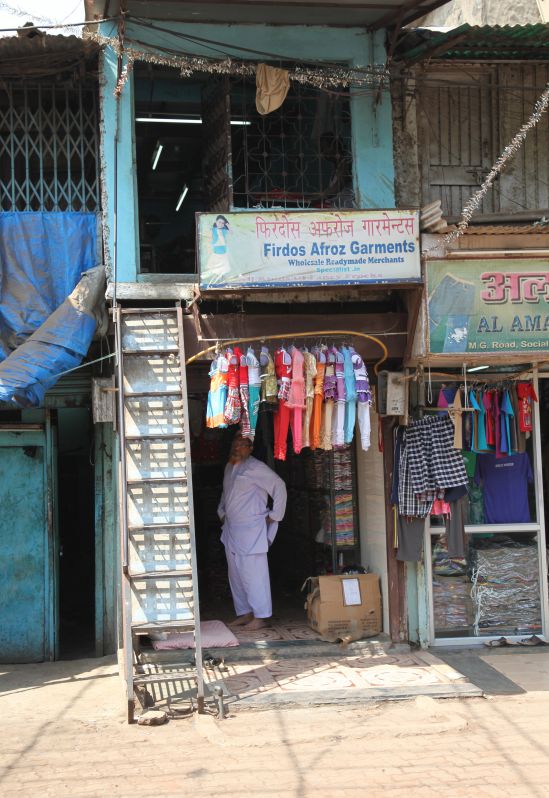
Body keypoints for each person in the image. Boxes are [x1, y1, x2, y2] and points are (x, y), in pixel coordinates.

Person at [217, 433, 287, 630]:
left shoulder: (256, 467)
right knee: (236, 575)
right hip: (231, 529)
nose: (237, 447)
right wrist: (221, 512)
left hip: (252, 530)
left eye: (242, 444)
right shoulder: (230, 467)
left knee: (254, 574)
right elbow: (226, 493)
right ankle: (245, 613)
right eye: (235, 443)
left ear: (250, 448)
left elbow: (279, 486)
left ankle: (261, 616)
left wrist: (275, 515)